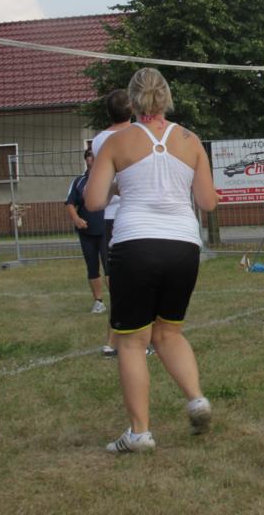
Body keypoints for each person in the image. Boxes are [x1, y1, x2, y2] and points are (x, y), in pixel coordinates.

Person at [85, 68, 219, 453]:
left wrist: (118, 182)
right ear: (167, 97)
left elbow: (93, 202)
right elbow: (207, 202)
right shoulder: (190, 140)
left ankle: (139, 433)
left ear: (132, 100)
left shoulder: (116, 141)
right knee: (169, 333)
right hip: (183, 246)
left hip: (136, 244)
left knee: (131, 342)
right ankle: (196, 399)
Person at [90, 88, 134, 357]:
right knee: (138, 280)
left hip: (111, 216)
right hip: (133, 215)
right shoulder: (140, 135)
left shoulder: (99, 140)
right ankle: (141, 340)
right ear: (132, 109)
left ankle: (112, 342)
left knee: (118, 281)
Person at [65, 150, 107, 314]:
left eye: (94, 155)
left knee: (110, 266)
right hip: (86, 231)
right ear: (86, 160)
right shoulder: (79, 181)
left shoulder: (108, 178)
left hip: (106, 229)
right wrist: (76, 219)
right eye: (89, 155)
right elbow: (69, 203)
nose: (91, 158)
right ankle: (98, 302)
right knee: (92, 266)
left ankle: (119, 301)